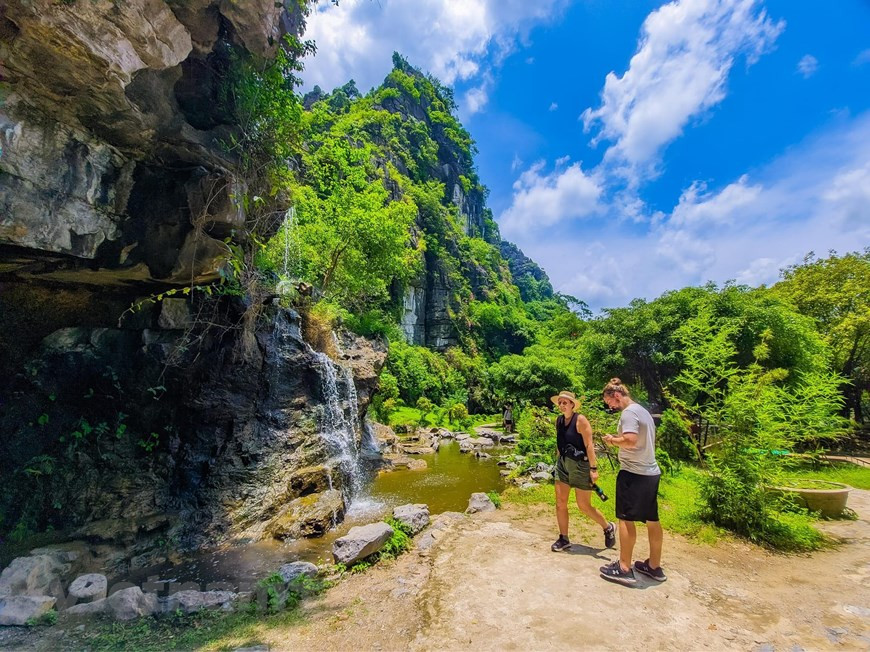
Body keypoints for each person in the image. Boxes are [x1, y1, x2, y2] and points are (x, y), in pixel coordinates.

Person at [599, 378, 666, 585]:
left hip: (633, 473)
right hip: (650, 472)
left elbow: (630, 440)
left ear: (617, 395)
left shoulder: (628, 413)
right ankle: (654, 567)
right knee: (652, 520)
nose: (609, 406)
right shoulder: (642, 410)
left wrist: (611, 440)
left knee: (625, 519)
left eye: (609, 402)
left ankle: (624, 567)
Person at [550, 391, 616, 552]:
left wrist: (593, 469)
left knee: (583, 506)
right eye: (560, 402)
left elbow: (589, 445)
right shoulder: (559, 421)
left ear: (572, 404)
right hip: (563, 465)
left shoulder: (580, 420)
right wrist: (557, 462)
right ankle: (563, 538)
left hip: (580, 466)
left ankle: (608, 527)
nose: (562, 405)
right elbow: (560, 443)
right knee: (560, 503)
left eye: (565, 402)